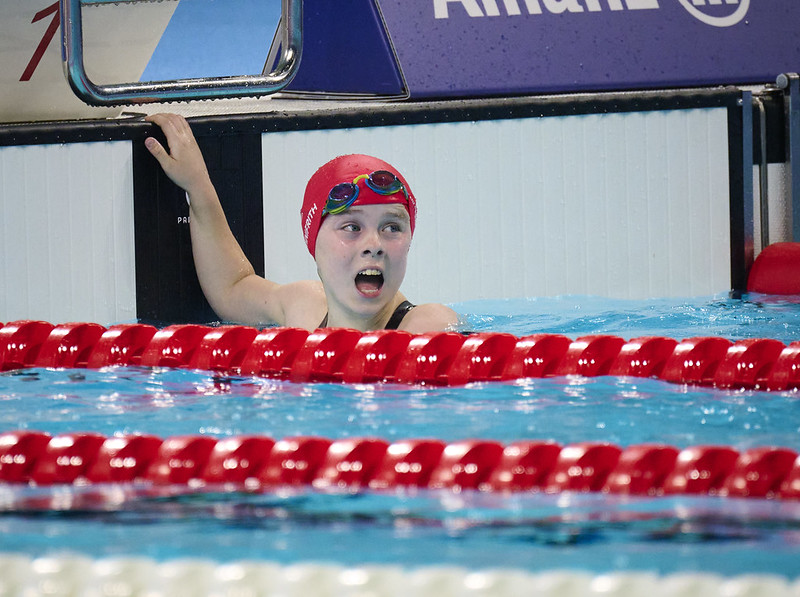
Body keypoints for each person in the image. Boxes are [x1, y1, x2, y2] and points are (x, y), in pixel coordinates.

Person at [144, 113, 459, 333]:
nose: (374, 246)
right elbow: (232, 288)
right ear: (314, 244)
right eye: (352, 227)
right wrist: (198, 186)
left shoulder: (428, 328)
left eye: (392, 227)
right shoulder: (305, 308)